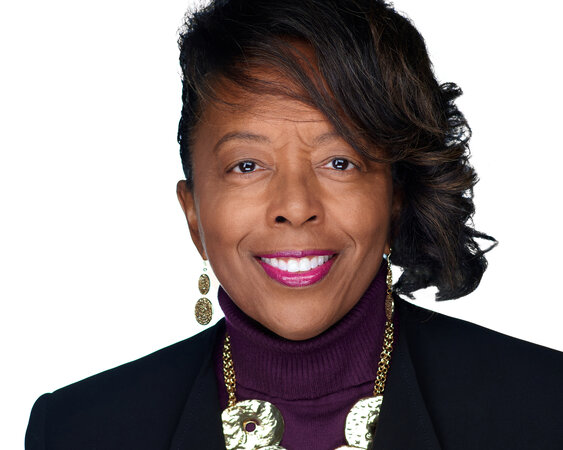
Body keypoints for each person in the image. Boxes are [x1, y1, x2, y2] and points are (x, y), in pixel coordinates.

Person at [25, 0, 563, 449]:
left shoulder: (545, 406)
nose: (296, 205)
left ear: (394, 198)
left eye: (340, 161)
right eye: (247, 166)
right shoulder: (76, 431)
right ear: (194, 215)